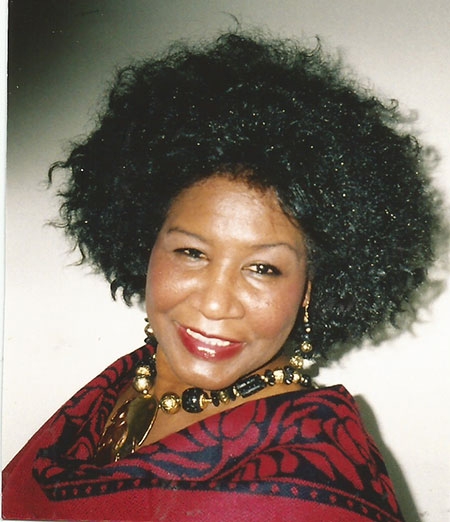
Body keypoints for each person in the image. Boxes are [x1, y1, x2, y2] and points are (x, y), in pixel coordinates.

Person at [2, 31, 441, 521]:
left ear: (310, 289)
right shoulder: (130, 379)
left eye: (263, 269)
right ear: (145, 244)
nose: (215, 303)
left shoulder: (314, 482)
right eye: (191, 253)